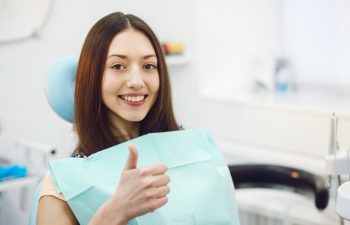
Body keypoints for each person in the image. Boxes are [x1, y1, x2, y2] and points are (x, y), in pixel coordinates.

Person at [37, 12, 179, 225]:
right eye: (118, 66)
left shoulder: (187, 149)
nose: (137, 81)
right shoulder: (62, 184)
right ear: (93, 77)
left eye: (148, 66)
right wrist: (115, 212)